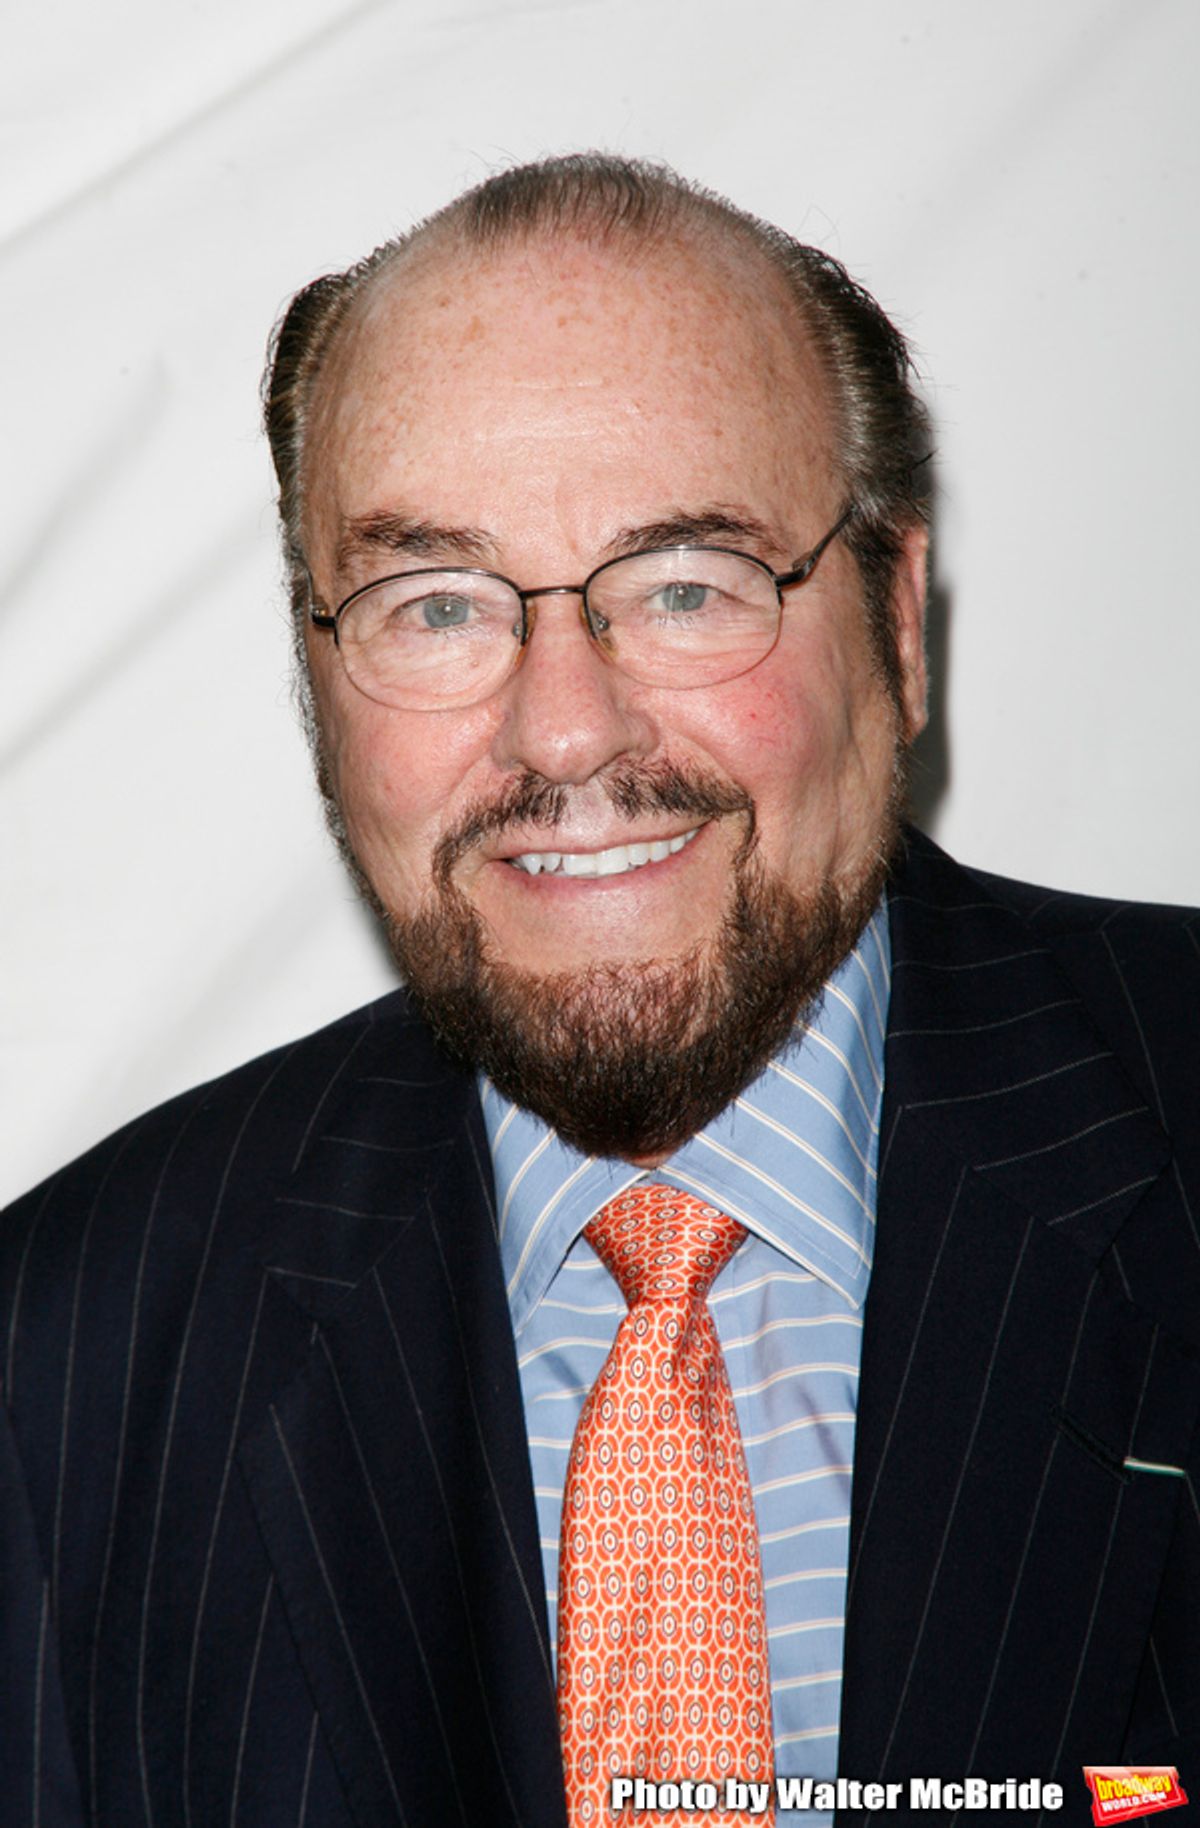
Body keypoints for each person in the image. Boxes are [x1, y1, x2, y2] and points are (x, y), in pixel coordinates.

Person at [1, 154, 1197, 1828]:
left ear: (899, 630)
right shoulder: (61, 1364)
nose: (565, 731)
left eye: (688, 584)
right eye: (436, 604)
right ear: (318, 688)